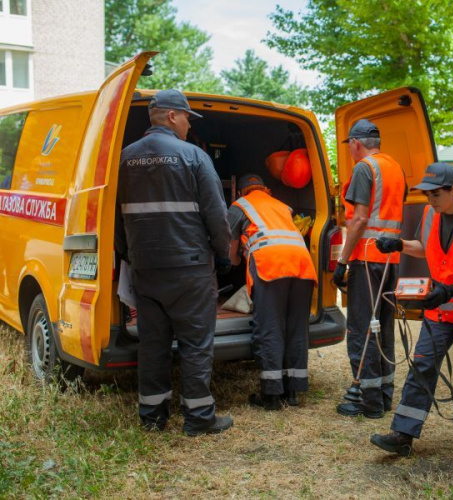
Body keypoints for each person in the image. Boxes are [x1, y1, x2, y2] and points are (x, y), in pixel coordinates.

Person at [115, 89, 233, 437]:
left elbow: (115, 219)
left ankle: (153, 416)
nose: (187, 125)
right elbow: (217, 215)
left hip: (146, 270)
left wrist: (128, 255)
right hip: (190, 269)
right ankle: (199, 418)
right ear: (171, 116)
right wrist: (223, 255)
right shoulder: (193, 156)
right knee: (196, 344)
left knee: (153, 344)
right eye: (185, 118)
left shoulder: (124, 158)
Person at [369, 162, 453, 459]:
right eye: (426, 194)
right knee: (422, 366)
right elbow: (424, 246)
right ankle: (403, 435)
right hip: (443, 306)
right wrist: (399, 244)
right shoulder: (432, 214)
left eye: (435, 194)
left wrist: (450, 290)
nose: (429, 200)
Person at [333, 118, 406, 419]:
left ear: (356, 143)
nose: (349, 150)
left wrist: (342, 262)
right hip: (390, 261)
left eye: (349, 145)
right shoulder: (396, 169)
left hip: (366, 259)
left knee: (362, 328)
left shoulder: (364, 168)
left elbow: (360, 220)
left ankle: (369, 400)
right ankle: (384, 395)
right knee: (382, 328)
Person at [227, 174, 317, 410]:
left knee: (271, 328)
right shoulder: (282, 206)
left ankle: (272, 395)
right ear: (265, 189)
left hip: (271, 266)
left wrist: (237, 259)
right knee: (296, 329)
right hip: (303, 265)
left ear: (241, 192)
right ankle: (293, 391)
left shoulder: (239, 207)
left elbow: (231, 256)